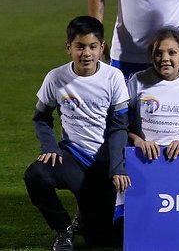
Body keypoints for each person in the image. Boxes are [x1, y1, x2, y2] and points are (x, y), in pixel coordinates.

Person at [24, 17, 130, 250]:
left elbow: (119, 126)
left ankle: (84, 217)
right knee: (35, 175)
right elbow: (41, 117)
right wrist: (50, 147)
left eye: (93, 47)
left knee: (100, 239)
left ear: (102, 48)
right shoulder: (56, 78)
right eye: (80, 46)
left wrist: (117, 167)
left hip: (103, 164)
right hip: (70, 157)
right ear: (68, 47)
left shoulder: (113, 77)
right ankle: (63, 229)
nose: (86, 53)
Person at [127, 29, 179, 161]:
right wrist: (138, 141)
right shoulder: (138, 81)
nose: (165, 58)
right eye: (158, 54)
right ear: (152, 57)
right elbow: (120, 122)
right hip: (143, 157)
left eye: (172, 53)